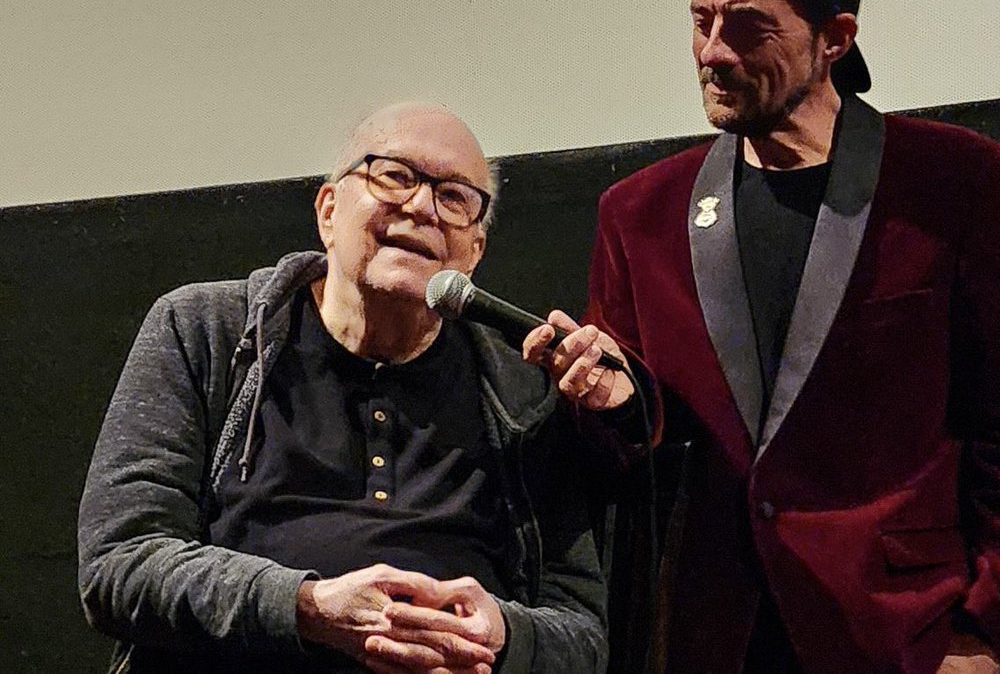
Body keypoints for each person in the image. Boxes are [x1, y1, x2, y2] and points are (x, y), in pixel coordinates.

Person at [525, 0, 1000, 674]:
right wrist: (611, 404)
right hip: (710, 640)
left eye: (748, 26)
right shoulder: (639, 214)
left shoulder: (958, 184)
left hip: (896, 636)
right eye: (701, 21)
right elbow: (627, 460)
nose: (713, 51)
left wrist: (985, 632)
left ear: (835, 38)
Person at [78, 103, 607, 673]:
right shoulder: (204, 330)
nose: (421, 207)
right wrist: (307, 607)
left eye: (454, 197)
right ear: (328, 211)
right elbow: (120, 561)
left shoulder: (519, 388)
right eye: (394, 176)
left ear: (474, 251)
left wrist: (505, 636)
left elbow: (582, 633)